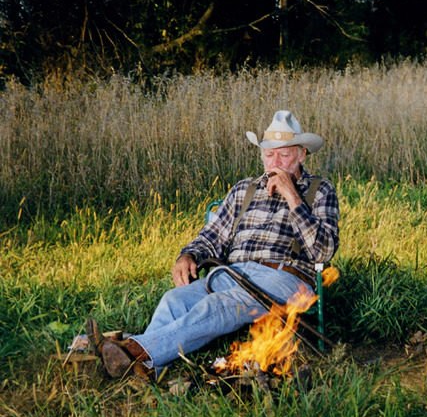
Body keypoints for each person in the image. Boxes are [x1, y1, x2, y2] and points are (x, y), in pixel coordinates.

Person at [88, 110, 340, 379]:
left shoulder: (319, 190)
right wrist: (187, 255)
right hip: (234, 273)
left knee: (218, 305)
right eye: (269, 154)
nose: (275, 162)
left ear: (302, 154)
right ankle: (149, 371)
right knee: (174, 299)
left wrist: (292, 196)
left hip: (284, 278)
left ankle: (133, 350)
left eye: (284, 154)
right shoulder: (245, 189)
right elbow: (212, 236)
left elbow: (323, 251)